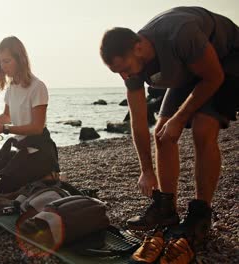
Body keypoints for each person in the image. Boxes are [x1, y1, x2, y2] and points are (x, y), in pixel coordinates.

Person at [100, 6, 238, 263]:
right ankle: (166, 208)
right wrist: (146, 170)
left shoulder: (180, 34)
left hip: (226, 60)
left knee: (202, 129)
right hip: (188, 70)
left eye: (125, 68)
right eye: (117, 72)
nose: (125, 76)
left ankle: (200, 214)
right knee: (162, 134)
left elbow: (213, 77)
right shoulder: (132, 67)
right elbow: (140, 122)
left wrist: (180, 118)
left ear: (138, 47)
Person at [0, 36, 60, 195]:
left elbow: (37, 128)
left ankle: (46, 175)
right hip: (21, 150)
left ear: (20, 59)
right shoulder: (12, 88)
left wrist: (3, 129)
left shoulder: (37, 87)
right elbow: (6, 116)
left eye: (7, 61)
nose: (3, 66)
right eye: (0, 62)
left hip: (39, 153)